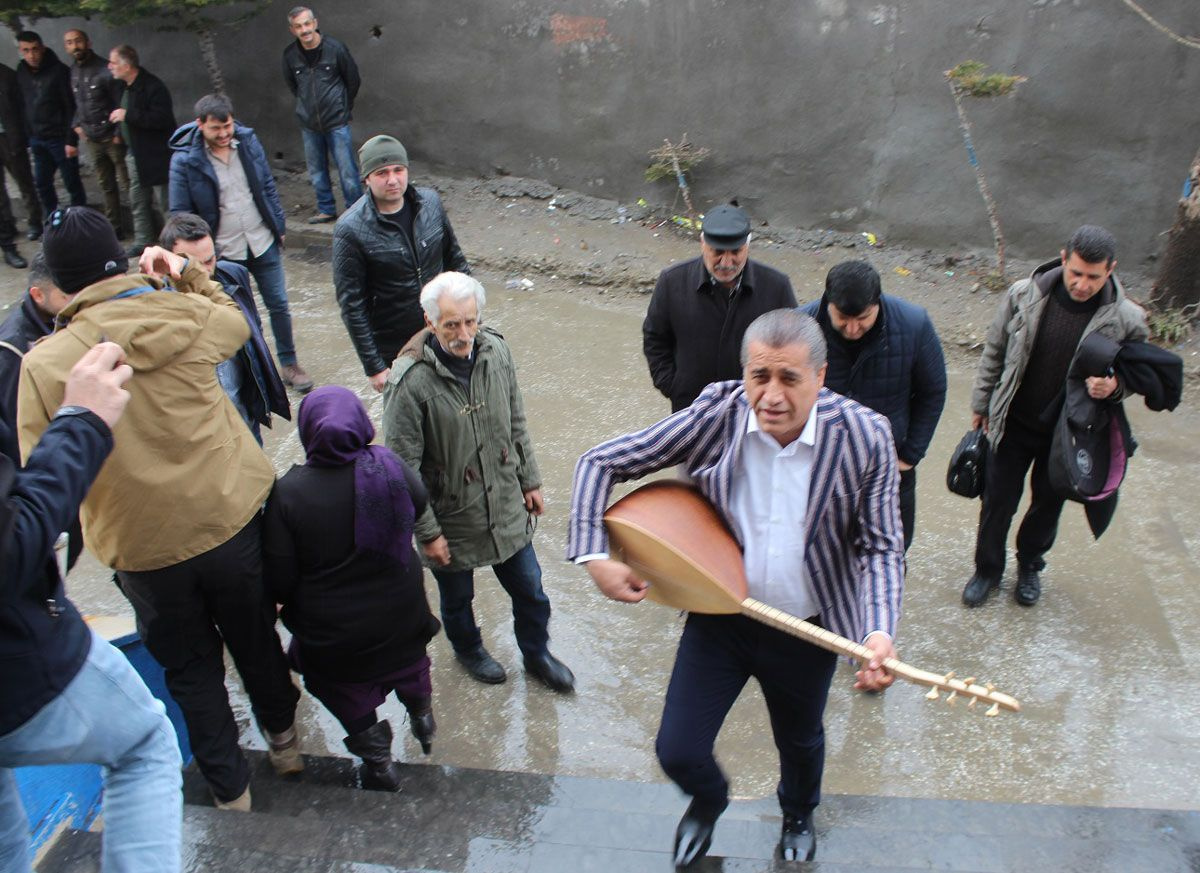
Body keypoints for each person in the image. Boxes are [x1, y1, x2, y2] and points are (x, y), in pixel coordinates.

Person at [568, 308, 904, 865]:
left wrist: (878, 632)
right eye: (759, 377)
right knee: (677, 748)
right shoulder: (715, 414)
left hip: (808, 627)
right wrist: (593, 554)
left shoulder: (866, 437)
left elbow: (881, 547)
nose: (770, 395)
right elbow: (600, 461)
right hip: (720, 613)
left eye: (789, 379)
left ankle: (798, 813)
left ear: (821, 378)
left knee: (800, 742)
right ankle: (708, 798)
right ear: (744, 373)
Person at [17, 207, 302, 812]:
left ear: (60, 287)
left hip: (143, 550)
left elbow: (38, 472)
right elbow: (238, 322)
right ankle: (285, 745)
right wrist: (185, 274)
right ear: (123, 262)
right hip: (228, 522)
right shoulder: (185, 313)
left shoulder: (44, 364)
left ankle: (231, 794)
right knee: (256, 638)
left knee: (192, 671)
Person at [1, 341, 183, 873]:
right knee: (143, 742)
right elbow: (13, 545)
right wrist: (80, 421)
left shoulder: (24, 356)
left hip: (135, 552)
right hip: (20, 669)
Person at [383, 272, 574, 691]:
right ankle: (468, 649)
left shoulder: (497, 353)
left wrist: (530, 479)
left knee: (531, 590)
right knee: (457, 599)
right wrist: (428, 533)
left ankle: (536, 653)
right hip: (449, 512)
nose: (464, 334)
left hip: (504, 497)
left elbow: (516, 420)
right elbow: (402, 470)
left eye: (471, 321)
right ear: (431, 323)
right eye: (452, 324)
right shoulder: (410, 382)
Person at [264, 386, 441, 792]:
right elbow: (418, 503)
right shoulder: (389, 466)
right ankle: (422, 717)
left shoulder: (288, 494)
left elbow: (280, 577)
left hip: (335, 636)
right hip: (402, 616)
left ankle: (380, 763)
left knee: (338, 686)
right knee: (411, 666)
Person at [964, 224, 1149, 608]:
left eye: (1093, 277)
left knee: (1047, 505)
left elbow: (1138, 373)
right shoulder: (1023, 295)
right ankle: (987, 570)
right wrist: (982, 405)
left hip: (1069, 432)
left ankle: (1030, 565)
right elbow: (994, 351)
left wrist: (1115, 388)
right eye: (1076, 272)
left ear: (1111, 269)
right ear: (1063, 259)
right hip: (1013, 420)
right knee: (997, 501)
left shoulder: (1127, 319)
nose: (1082, 284)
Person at [168, 93, 314, 393]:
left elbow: (266, 185)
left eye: (227, 127)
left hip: (261, 239)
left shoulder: (247, 141)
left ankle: (289, 364)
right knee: (239, 312)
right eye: (215, 129)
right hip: (223, 250)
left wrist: (279, 224)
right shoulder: (184, 160)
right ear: (200, 125)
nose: (223, 135)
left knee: (279, 304)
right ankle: (255, 367)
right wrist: (200, 253)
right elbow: (180, 213)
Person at [802, 260, 946, 549]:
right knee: (821, 555)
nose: (853, 328)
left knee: (889, 550)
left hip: (890, 469)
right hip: (819, 467)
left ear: (877, 303)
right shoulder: (802, 328)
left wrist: (909, 457)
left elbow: (933, 391)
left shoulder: (913, 325)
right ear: (827, 302)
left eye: (863, 318)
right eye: (842, 317)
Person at [334, 135, 470, 392]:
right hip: (395, 345)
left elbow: (456, 261)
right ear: (367, 179)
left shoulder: (430, 204)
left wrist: (472, 320)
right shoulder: (350, 230)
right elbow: (352, 305)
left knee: (455, 406)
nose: (393, 180)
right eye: (382, 173)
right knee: (410, 419)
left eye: (398, 170)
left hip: (444, 329)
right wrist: (374, 366)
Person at [643, 204, 797, 412]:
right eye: (717, 252)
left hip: (755, 411)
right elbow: (655, 338)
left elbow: (792, 346)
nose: (726, 262)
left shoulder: (776, 286)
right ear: (703, 244)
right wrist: (673, 385)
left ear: (747, 246)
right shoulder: (672, 282)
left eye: (736, 252)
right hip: (691, 410)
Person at [159, 212, 291, 443]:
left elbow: (253, 334)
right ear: (170, 260)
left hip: (243, 413)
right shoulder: (157, 301)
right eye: (193, 265)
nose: (206, 271)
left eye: (210, 260)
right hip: (199, 432)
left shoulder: (234, 274)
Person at [282, 5, 363, 223]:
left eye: (307, 24)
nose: (304, 30)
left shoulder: (335, 49)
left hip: (337, 120)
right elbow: (293, 86)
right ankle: (326, 209)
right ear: (292, 30)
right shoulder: (290, 55)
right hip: (309, 123)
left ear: (315, 23)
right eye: (298, 26)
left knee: (347, 170)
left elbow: (352, 80)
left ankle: (356, 211)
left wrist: (343, 106)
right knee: (317, 171)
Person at [0, 255, 74, 461]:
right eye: (66, 295)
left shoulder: (61, 316)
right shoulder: (12, 350)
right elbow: (17, 429)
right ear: (38, 295)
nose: (76, 299)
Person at [107, 45, 175, 257]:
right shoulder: (123, 87)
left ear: (127, 65)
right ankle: (143, 240)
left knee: (166, 203)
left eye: (114, 63)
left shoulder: (153, 86)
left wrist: (128, 115)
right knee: (137, 200)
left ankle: (172, 243)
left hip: (155, 156)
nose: (110, 67)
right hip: (134, 154)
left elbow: (162, 119)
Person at [14, 32, 87, 218]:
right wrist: (28, 136)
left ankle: (81, 221)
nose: (31, 55)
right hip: (37, 138)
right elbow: (23, 105)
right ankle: (52, 222)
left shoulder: (59, 71)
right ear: (21, 51)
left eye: (35, 49)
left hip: (60, 138)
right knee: (42, 183)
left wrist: (71, 140)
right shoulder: (21, 71)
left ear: (42, 48)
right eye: (26, 50)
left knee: (72, 182)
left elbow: (70, 107)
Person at [65, 29, 128, 236]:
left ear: (88, 42)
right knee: (106, 186)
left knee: (128, 184)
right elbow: (77, 103)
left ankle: (146, 230)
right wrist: (77, 125)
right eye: (70, 43)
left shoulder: (105, 69)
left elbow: (120, 102)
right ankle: (115, 229)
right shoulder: (73, 71)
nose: (75, 46)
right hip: (92, 139)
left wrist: (119, 133)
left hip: (112, 138)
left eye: (78, 41)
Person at [0, 61, 41, 247]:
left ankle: (35, 221)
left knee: (24, 181)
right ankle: (7, 225)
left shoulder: (7, 75)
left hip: (10, 137)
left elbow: (21, 108)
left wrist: (22, 137)